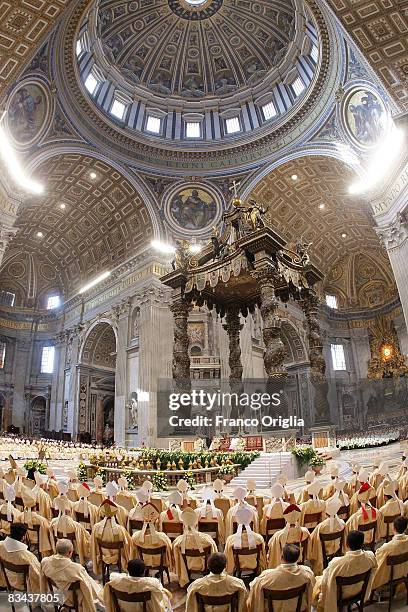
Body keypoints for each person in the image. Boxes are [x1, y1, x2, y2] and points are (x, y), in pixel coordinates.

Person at [312, 530, 377, 611]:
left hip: (340, 596)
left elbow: (326, 582)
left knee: (316, 584)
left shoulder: (336, 563)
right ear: (362, 543)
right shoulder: (370, 557)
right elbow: (373, 573)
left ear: (346, 544)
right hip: (359, 591)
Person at [248, 544, 315, 612]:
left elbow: (254, 590)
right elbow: (311, 593)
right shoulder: (307, 574)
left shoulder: (265, 578)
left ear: (281, 557)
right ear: (298, 558)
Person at [41, 538, 103, 612]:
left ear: (56, 550)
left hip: (56, 593)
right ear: (70, 552)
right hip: (73, 598)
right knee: (97, 589)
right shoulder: (76, 568)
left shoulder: (45, 562)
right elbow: (88, 587)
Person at [104, 558, 171, 611]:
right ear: (144, 572)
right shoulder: (152, 583)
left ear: (127, 570)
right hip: (145, 610)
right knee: (165, 597)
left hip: (124, 610)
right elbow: (159, 598)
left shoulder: (115, 581)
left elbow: (114, 575)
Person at [173, 507, 217, 588]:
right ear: (196, 523)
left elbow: (176, 558)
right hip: (203, 565)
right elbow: (214, 553)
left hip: (187, 566)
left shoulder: (178, 541)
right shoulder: (206, 539)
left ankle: (186, 578)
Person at [0, 523, 41, 592]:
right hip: (22, 583)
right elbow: (37, 575)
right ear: (24, 536)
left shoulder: (0, 545)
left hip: (6, 578)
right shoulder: (27, 555)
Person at [371, 516, 408, 592]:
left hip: (391, 575)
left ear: (394, 529)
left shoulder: (387, 547)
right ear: (405, 528)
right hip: (405, 570)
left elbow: (377, 560)